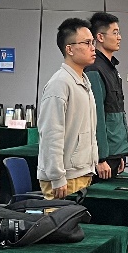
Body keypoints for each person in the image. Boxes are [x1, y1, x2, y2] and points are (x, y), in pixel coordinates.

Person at [37, 18, 99, 199]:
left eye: (93, 42)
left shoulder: (83, 81)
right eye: (87, 43)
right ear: (69, 49)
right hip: (64, 178)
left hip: (82, 172)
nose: (93, 48)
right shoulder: (59, 83)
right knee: (59, 218)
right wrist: (57, 177)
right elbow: (51, 133)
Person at [85, 12, 128, 179]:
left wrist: (120, 154)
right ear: (100, 37)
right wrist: (101, 157)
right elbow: (96, 116)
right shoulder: (94, 69)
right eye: (115, 33)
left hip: (114, 152)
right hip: (103, 158)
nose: (119, 37)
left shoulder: (110, 68)